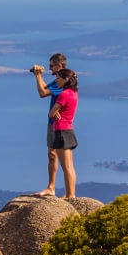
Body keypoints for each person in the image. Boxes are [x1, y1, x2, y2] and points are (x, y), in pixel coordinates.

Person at [30, 53, 68, 196]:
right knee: (52, 154)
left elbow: (42, 93)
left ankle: (66, 190)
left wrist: (38, 75)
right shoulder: (58, 80)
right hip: (53, 121)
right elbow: (46, 89)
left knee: (64, 158)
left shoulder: (63, 80)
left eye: (52, 66)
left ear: (59, 65)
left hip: (60, 123)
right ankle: (51, 187)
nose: (50, 69)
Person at [47, 68, 79, 199]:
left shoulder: (63, 94)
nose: (56, 80)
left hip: (61, 131)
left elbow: (51, 113)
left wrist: (55, 113)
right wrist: (57, 112)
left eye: (59, 78)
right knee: (70, 166)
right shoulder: (73, 93)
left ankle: (70, 195)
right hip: (69, 130)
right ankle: (70, 193)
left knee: (65, 167)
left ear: (66, 80)